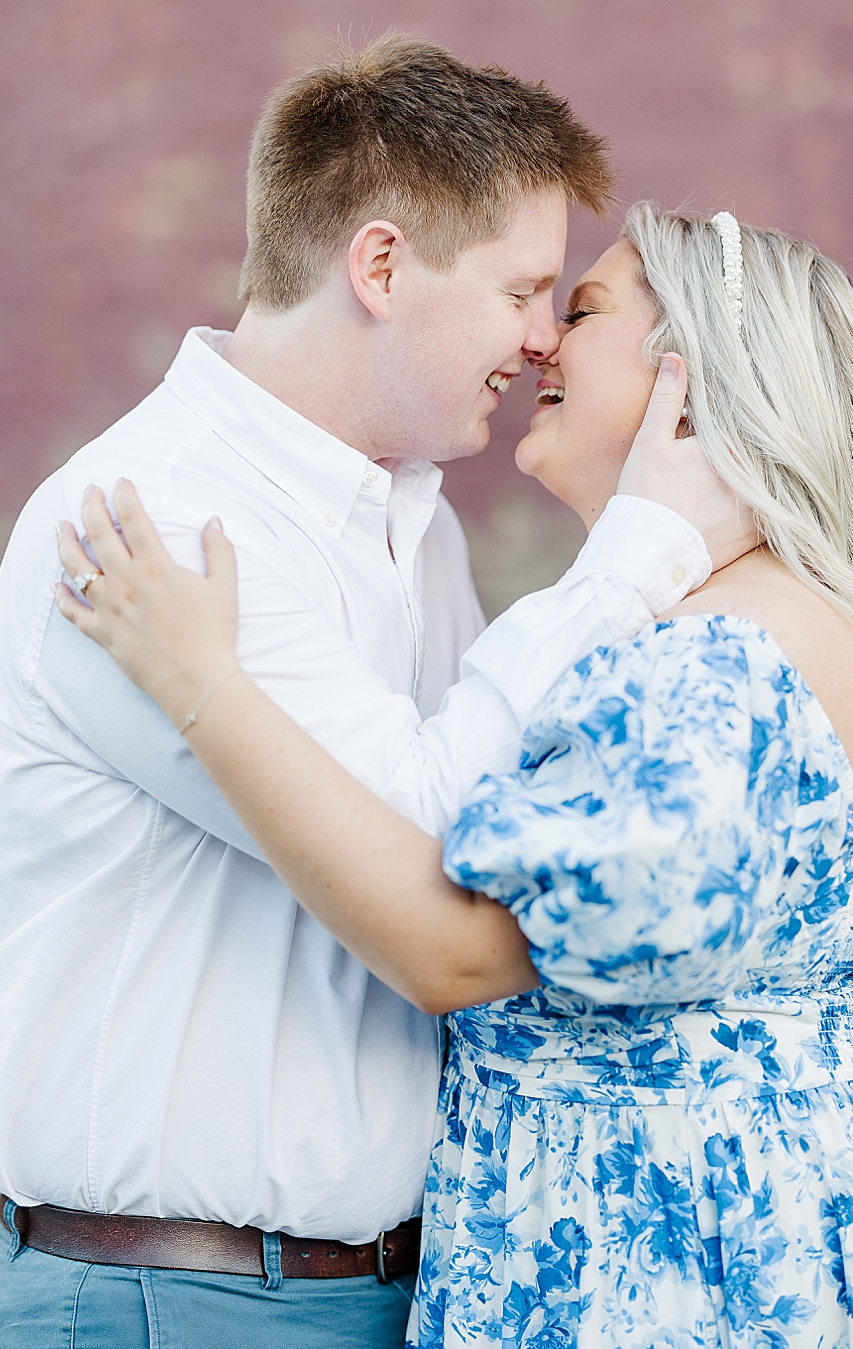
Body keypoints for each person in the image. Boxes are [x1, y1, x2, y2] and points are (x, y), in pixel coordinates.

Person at [0, 33, 751, 1349]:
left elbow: (513, 815)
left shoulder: (411, 521)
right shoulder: (159, 520)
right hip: (174, 1304)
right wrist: (642, 550)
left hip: (382, 1292)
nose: (545, 339)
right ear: (381, 266)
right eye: (522, 290)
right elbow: (432, 848)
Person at [51, 203, 853, 1349]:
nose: (542, 344)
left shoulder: (716, 659)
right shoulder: (736, 628)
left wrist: (204, 684)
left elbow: (457, 946)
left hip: (655, 1294)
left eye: (579, 309)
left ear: (702, 379)